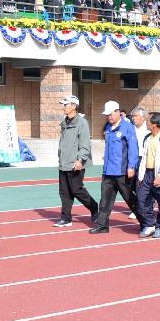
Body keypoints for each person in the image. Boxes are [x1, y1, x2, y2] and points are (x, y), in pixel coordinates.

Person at [90, 101, 138, 234]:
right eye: (107, 115)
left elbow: (133, 148)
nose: (109, 117)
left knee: (130, 198)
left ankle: (146, 222)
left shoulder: (127, 127)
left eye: (110, 114)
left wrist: (131, 166)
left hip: (122, 171)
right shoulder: (107, 127)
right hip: (108, 171)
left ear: (118, 112)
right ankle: (102, 225)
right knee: (105, 200)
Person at [56, 95, 99, 227]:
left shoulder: (82, 123)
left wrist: (80, 160)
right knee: (64, 192)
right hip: (64, 163)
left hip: (76, 163)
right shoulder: (64, 122)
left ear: (74, 106)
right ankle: (66, 218)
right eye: (63, 105)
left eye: (66, 104)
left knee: (77, 190)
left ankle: (94, 208)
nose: (64, 107)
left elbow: (85, 144)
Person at [137, 112, 160, 238]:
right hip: (147, 174)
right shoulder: (147, 138)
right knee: (142, 200)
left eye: (148, 121)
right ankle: (149, 225)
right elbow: (143, 157)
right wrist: (140, 175)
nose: (146, 123)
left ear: (154, 124)